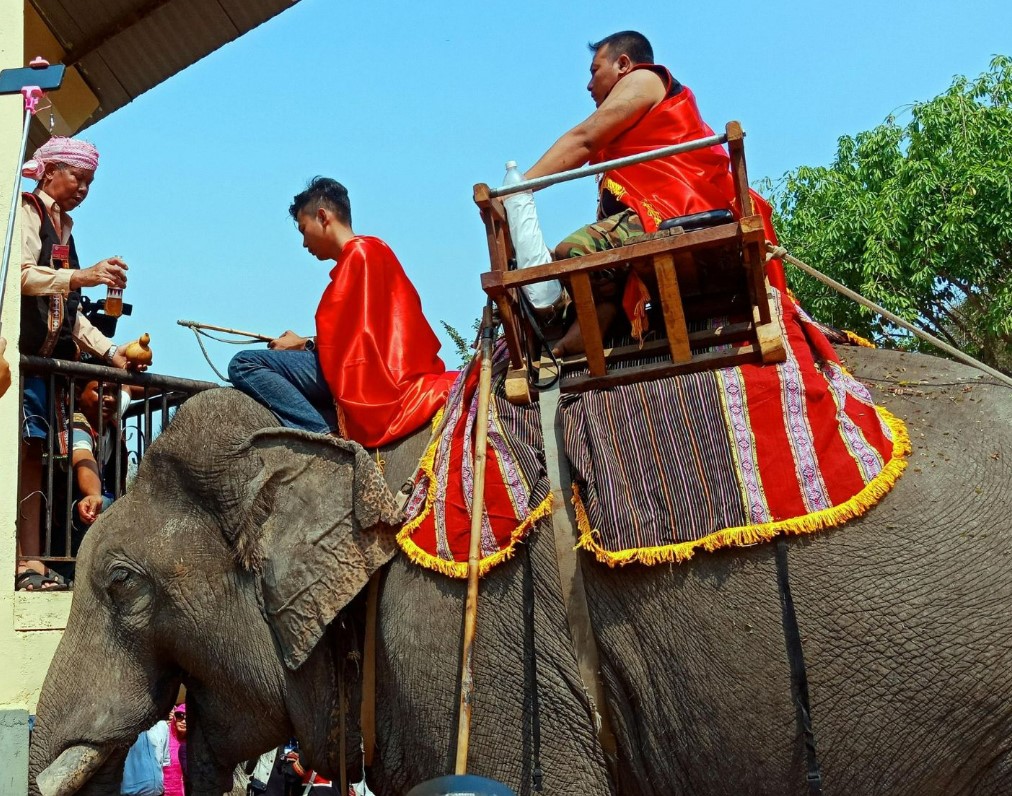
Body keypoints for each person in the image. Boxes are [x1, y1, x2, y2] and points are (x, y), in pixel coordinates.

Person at [522, 31, 774, 354]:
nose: (588, 85)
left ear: (623, 64)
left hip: (674, 209)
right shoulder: (633, 115)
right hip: (655, 211)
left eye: (594, 71)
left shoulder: (644, 79)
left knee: (571, 252)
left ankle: (603, 313)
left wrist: (518, 190)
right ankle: (601, 311)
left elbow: (583, 139)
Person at [229, 177, 456, 448]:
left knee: (243, 364)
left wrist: (304, 343)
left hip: (366, 373)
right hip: (381, 365)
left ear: (322, 217)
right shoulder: (375, 250)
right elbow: (360, 329)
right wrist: (305, 342)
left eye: (303, 229)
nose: (304, 243)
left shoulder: (358, 255)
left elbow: (350, 342)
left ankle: (322, 435)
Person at [16, 136, 138, 591]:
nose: (84, 188)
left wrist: (112, 353)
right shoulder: (26, 212)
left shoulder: (64, 227)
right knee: (25, 453)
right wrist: (81, 276)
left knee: (35, 456)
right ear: (50, 172)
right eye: (78, 177)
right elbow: (22, 275)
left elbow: (69, 317)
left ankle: (31, 557)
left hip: (47, 368)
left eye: (89, 181)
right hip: (23, 362)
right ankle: (24, 558)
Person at [163, 704, 187, 796]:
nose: (184, 721)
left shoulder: (195, 743)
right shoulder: (164, 737)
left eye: (187, 718)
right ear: (174, 718)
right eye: (180, 716)